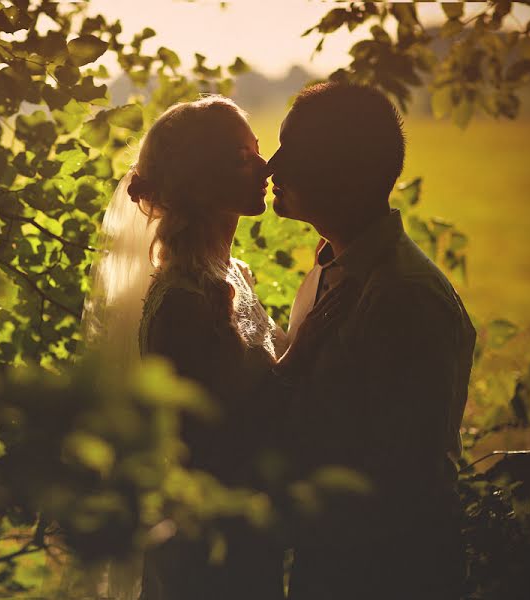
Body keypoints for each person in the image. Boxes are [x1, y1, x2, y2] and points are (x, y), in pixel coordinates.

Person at [84, 95, 345, 600]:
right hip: (207, 548)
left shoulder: (235, 274)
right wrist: (305, 347)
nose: (266, 165)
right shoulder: (184, 299)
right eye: (241, 157)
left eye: (257, 149)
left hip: (249, 530)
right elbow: (213, 437)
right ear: (198, 181)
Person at [268, 82, 476, 600]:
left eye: (292, 152)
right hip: (329, 560)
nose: (272, 167)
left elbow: (405, 472)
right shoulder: (331, 264)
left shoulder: (405, 297)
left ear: (346, 173)